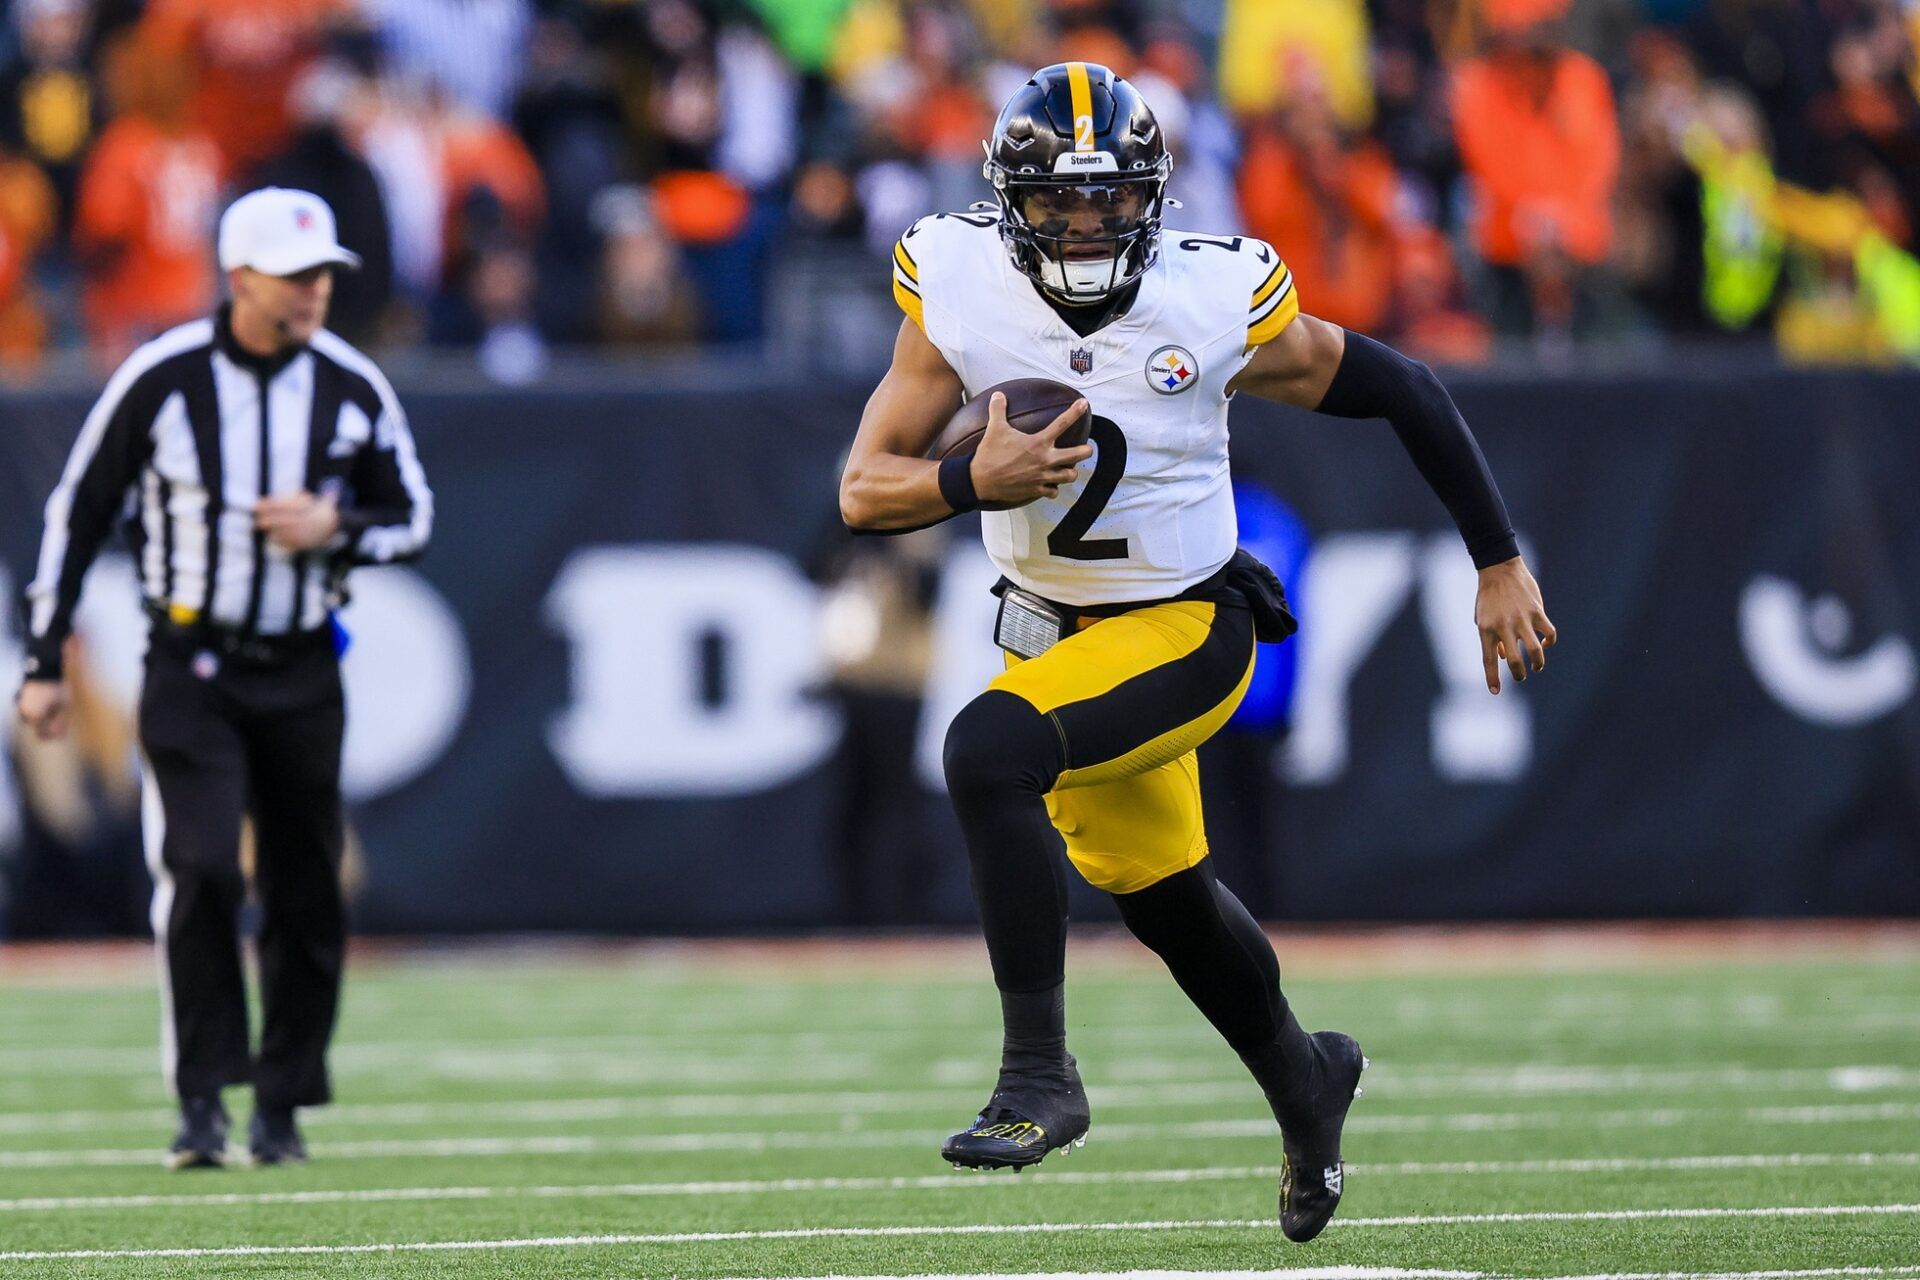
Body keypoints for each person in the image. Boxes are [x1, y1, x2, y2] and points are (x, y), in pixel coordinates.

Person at [838, 63, 1555, 1243]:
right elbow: (866, 489)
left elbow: (1405, 386)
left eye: (1107, 199)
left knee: (984, 753)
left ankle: (1039, 1077)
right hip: (1056, 636)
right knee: (1165, 898)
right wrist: (975, 477)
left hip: (1187, 624)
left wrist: (1496, 556)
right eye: (1058, 202)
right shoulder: (957, 282)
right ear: (1008, 199)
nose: (1082, 224)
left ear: (1152, 197)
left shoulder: (1211, 297)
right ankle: (1305, 1077)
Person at [13, 187, 433, 1169]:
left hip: (300, 662)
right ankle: (202, 1095)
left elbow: (413, 514)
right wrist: (43, 661)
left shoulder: (351, 384)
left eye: (324, 273)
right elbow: (77, 512)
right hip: (190, 661)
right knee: (199, 866)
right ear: (239, 278)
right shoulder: (162, 380)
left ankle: (281, 1101)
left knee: (303, 883)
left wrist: (340, 527)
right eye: (296, 275)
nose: (316, 290)